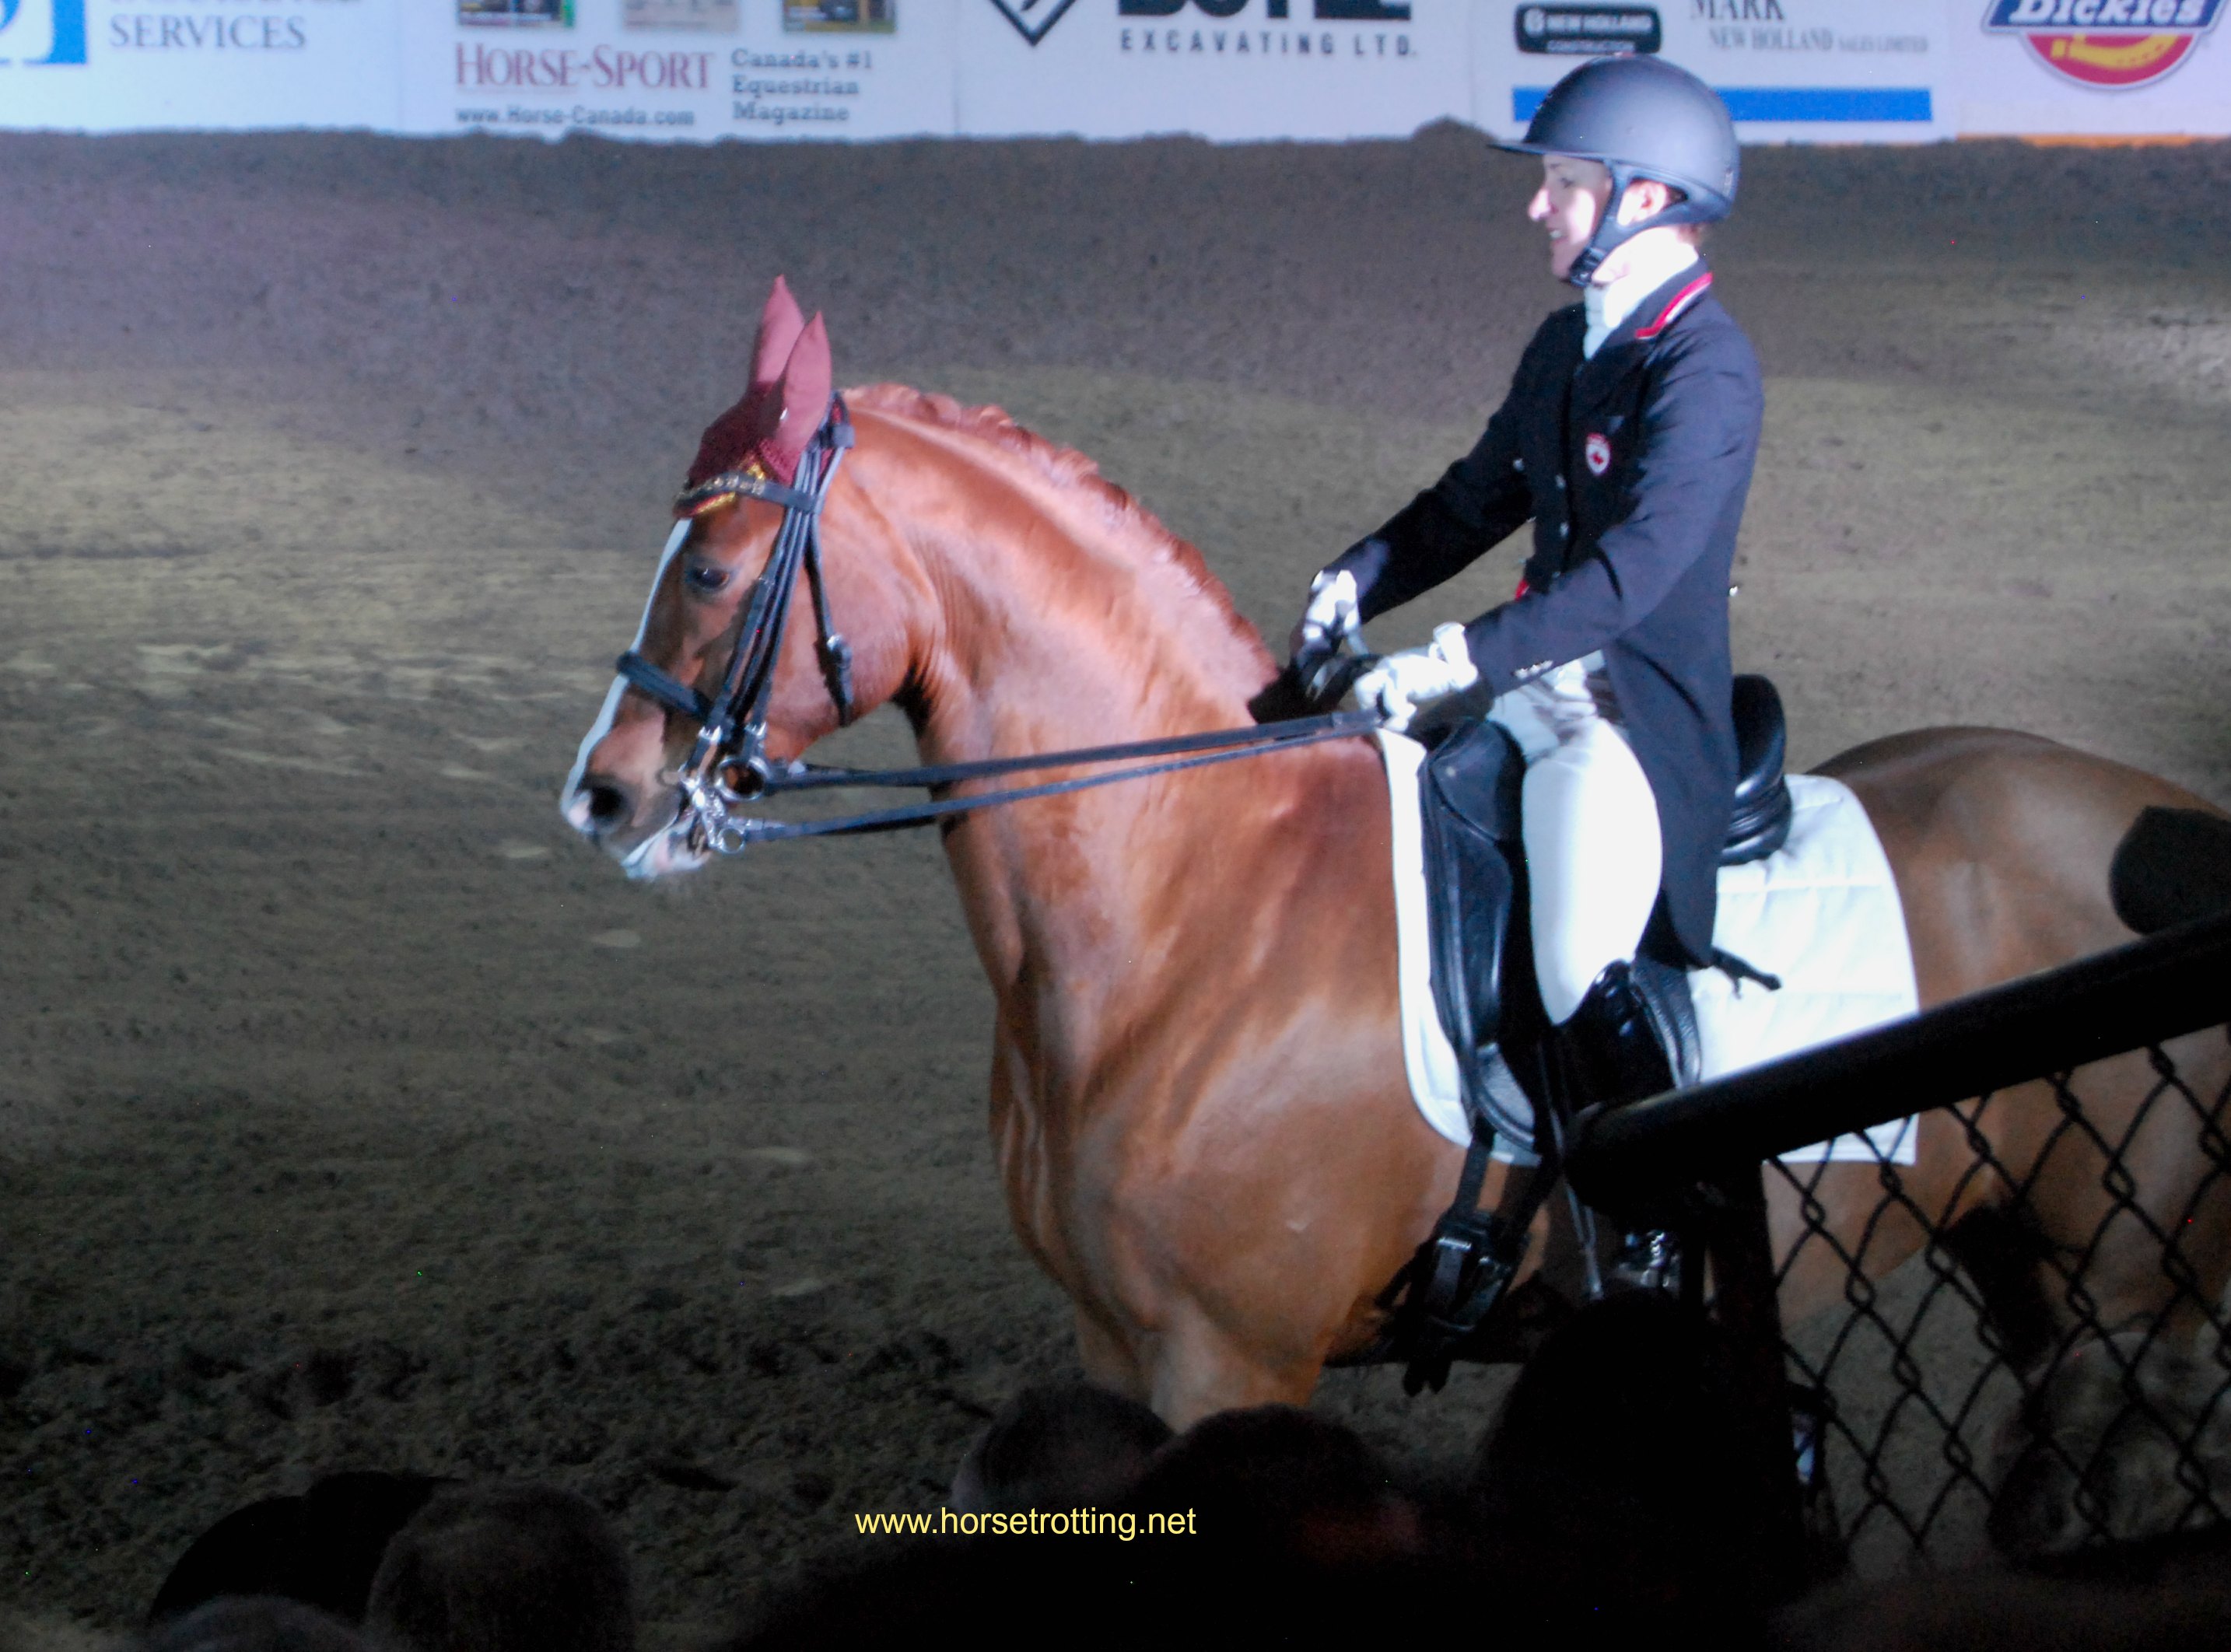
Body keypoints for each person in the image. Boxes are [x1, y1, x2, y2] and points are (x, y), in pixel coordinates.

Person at [1291, 55, 1763, 1149]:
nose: (1538, 206)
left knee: (1572, 962)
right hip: (1525, 686)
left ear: (1645, 198)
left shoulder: (1705, 368)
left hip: (1625, 724)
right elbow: (1473, 501)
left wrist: (1456, 658)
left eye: (1564, 184)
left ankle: (1668, 1195)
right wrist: (1354, 579)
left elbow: (1634, 574)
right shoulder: (1567, 343)